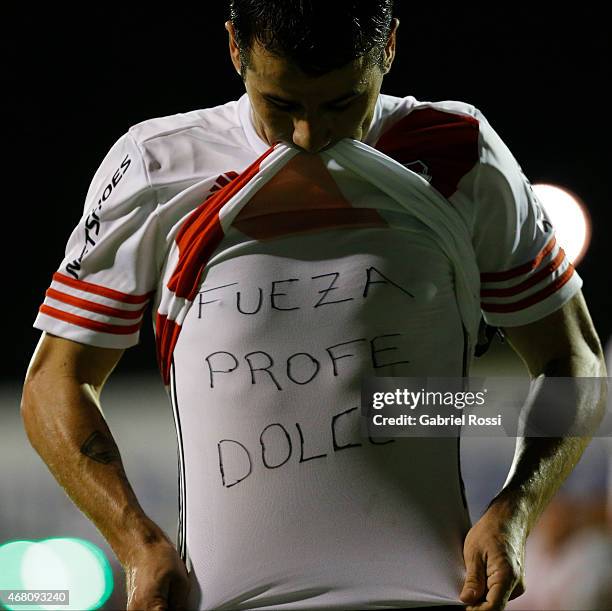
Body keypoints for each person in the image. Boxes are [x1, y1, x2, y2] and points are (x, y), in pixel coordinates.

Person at [20, 1, 607, 610]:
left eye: (340, 104)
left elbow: (574, 358)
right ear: (234, 49)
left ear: (390, 51)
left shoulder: (461, 151)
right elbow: (54, 382)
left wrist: (516, 511)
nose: (309, 135)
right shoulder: (156, 163)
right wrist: (135, 542)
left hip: (431, 595)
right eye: (281, 104)